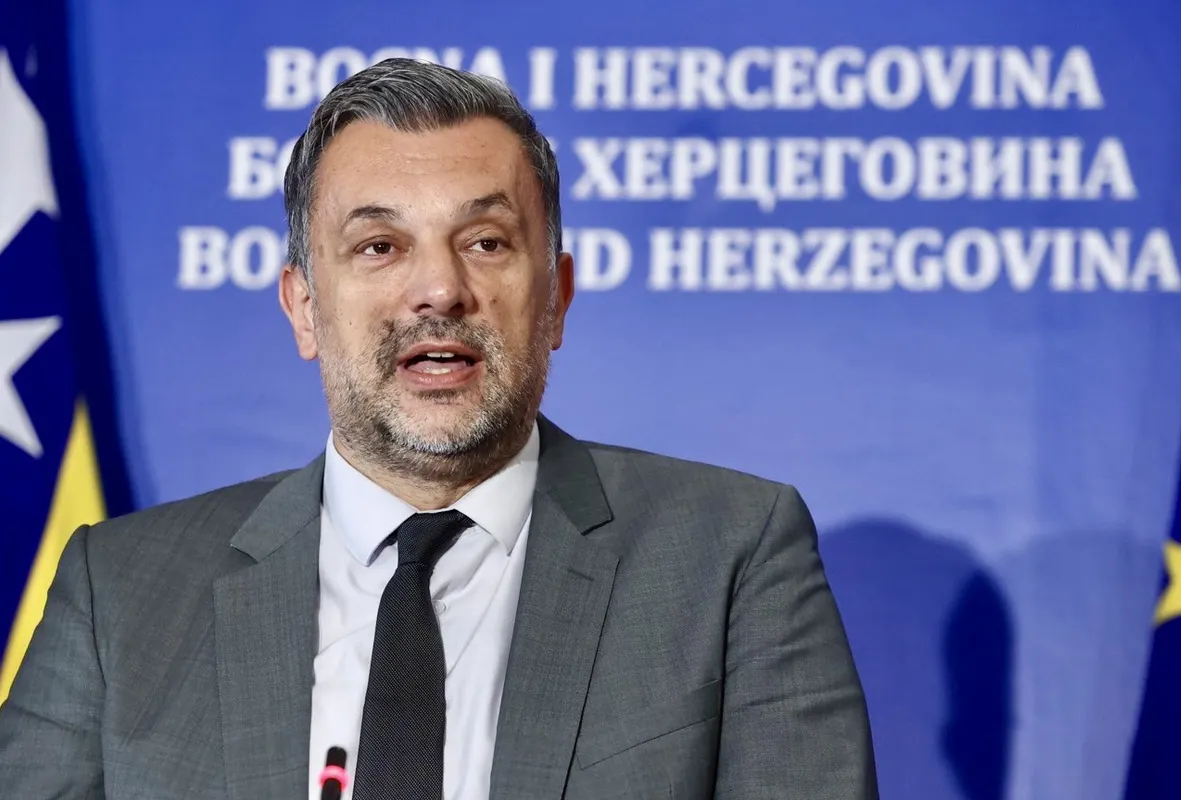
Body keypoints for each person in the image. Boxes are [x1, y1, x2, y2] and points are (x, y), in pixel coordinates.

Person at [0, 57, 877, 799]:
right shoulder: (121, 592)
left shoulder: (727, 556)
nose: (439, 291)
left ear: (557, 298)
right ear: (303, 308)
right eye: (379, 246)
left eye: (486, 242)